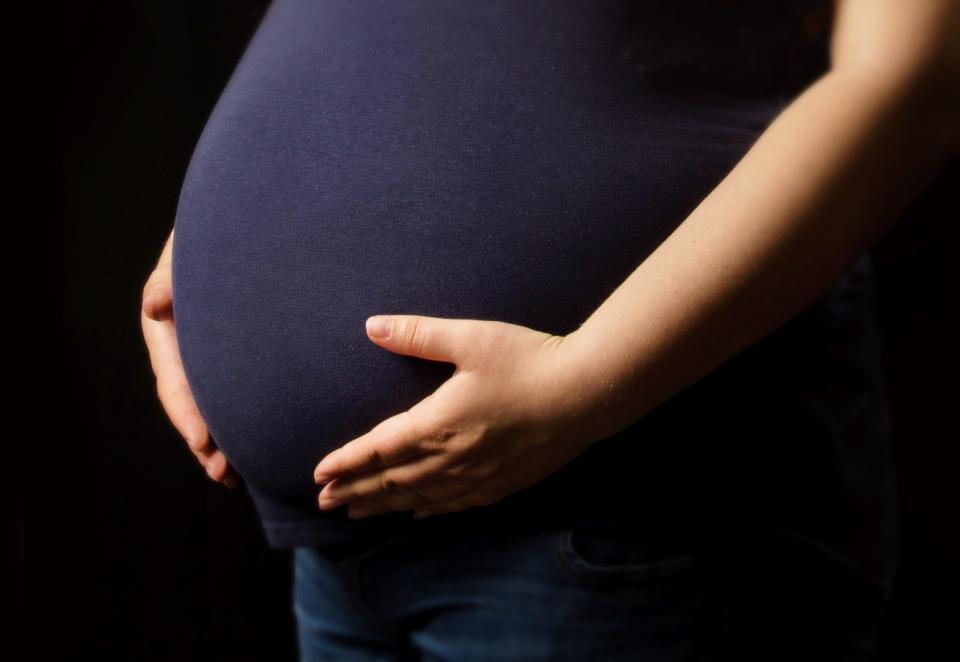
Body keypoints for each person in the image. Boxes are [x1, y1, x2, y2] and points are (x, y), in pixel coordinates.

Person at [141, 1, 959, 660]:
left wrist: (584, 381)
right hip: (333, 548)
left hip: (628, 520)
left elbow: (911, 79)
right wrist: (228, 236)